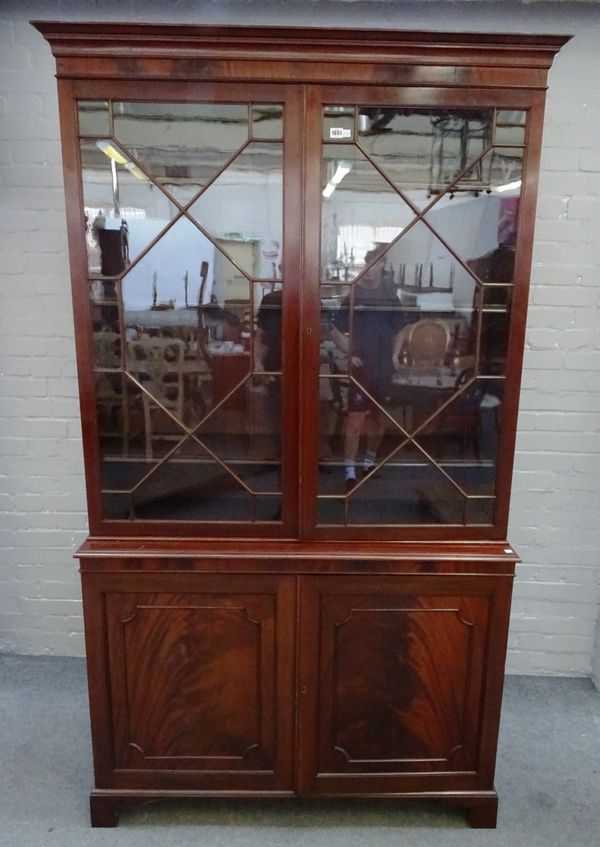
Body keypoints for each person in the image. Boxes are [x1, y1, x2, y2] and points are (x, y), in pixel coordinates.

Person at [330, 249, 407, 492]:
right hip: (361, 367)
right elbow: (334, 330)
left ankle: (369, 461)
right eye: (368, 263)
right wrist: (349, 352)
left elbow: (402, 329)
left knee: (379, 418)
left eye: (376, 264)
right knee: (355, 421)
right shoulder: (355, 294)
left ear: (383, 266)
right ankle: (349, 469)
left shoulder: (390, 296)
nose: (371, 268)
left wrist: (395, 355)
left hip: (384, 368)